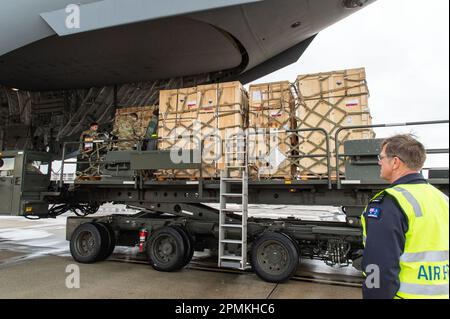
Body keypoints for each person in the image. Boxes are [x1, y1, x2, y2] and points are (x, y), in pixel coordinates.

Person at [361, 134, 449, 299]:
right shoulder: (442, 198)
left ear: (395, 162)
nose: (379, 162)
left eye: (381, 157)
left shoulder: (390, 202)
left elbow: (379, 268)